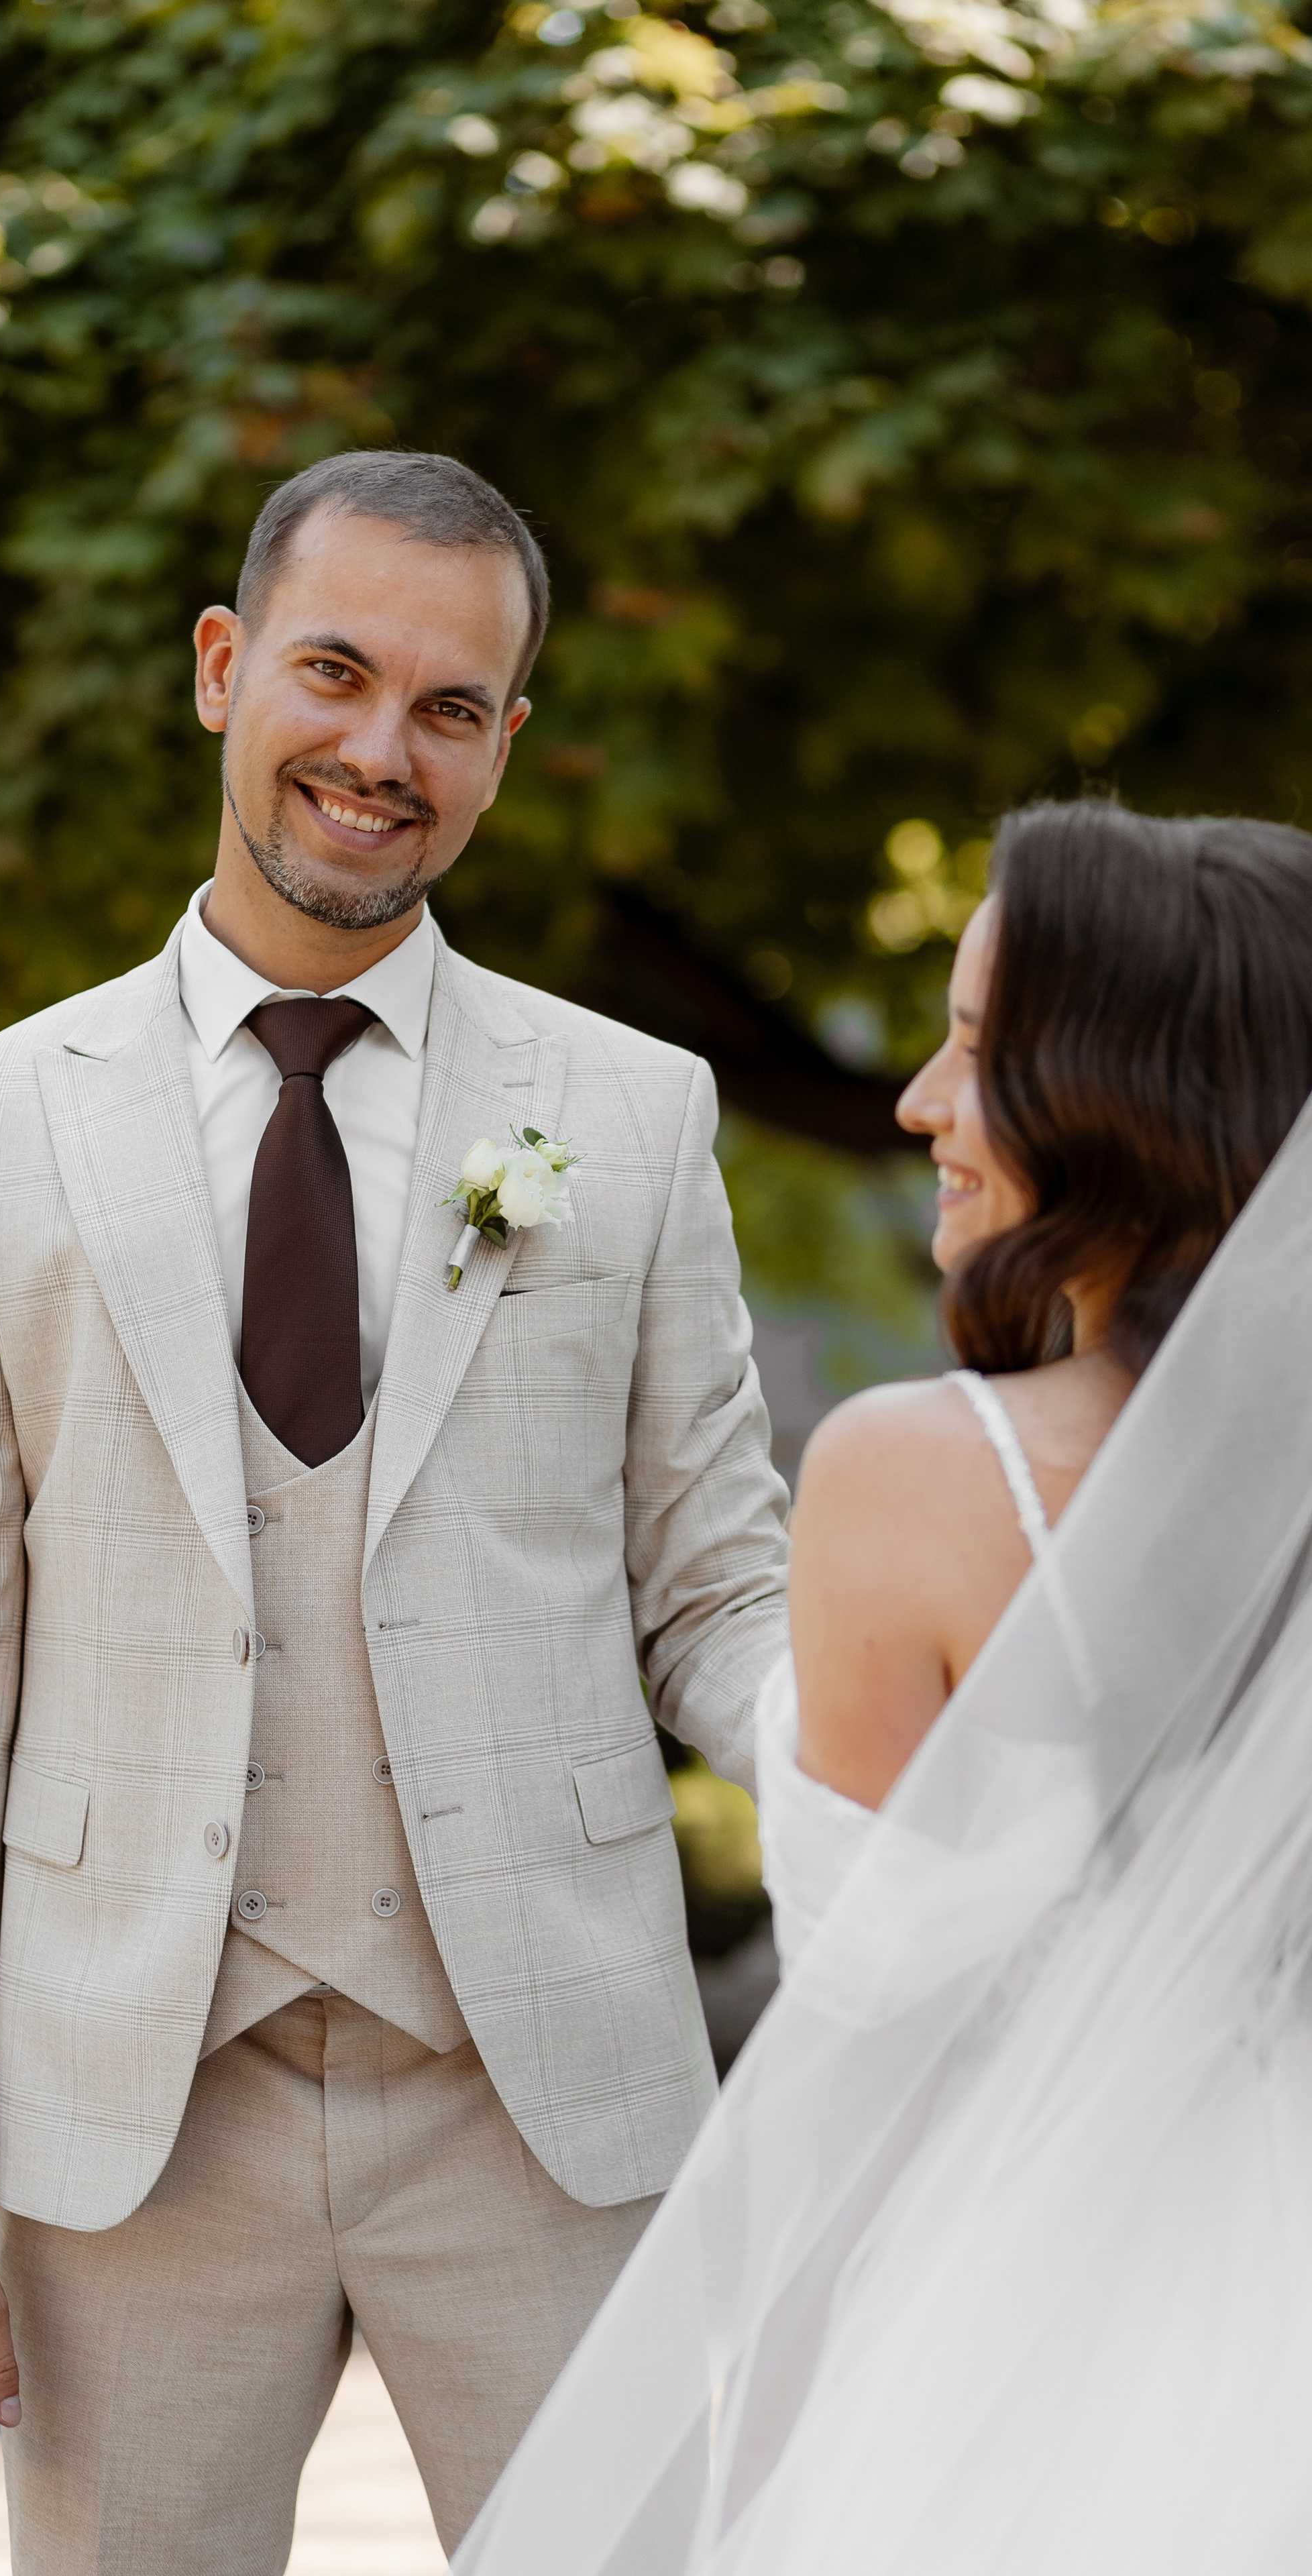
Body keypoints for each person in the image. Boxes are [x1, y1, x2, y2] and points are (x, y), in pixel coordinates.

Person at [0, 447, 791, 2573]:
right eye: (335, 676)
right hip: (130, 2120)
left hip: (547, 2091)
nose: (380, 752)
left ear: (507, 746)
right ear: (221, 669)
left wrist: (881, 1778)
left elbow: (717, 1581)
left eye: (451, 709)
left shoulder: (631, 1115)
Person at [454, 800, 1312, 2575]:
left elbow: (860, 2090)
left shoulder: (920, 1475)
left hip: (1010, 2355)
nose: (919, 1100)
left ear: (1126, 1094)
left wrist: (772, 2471)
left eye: (980, 1050)